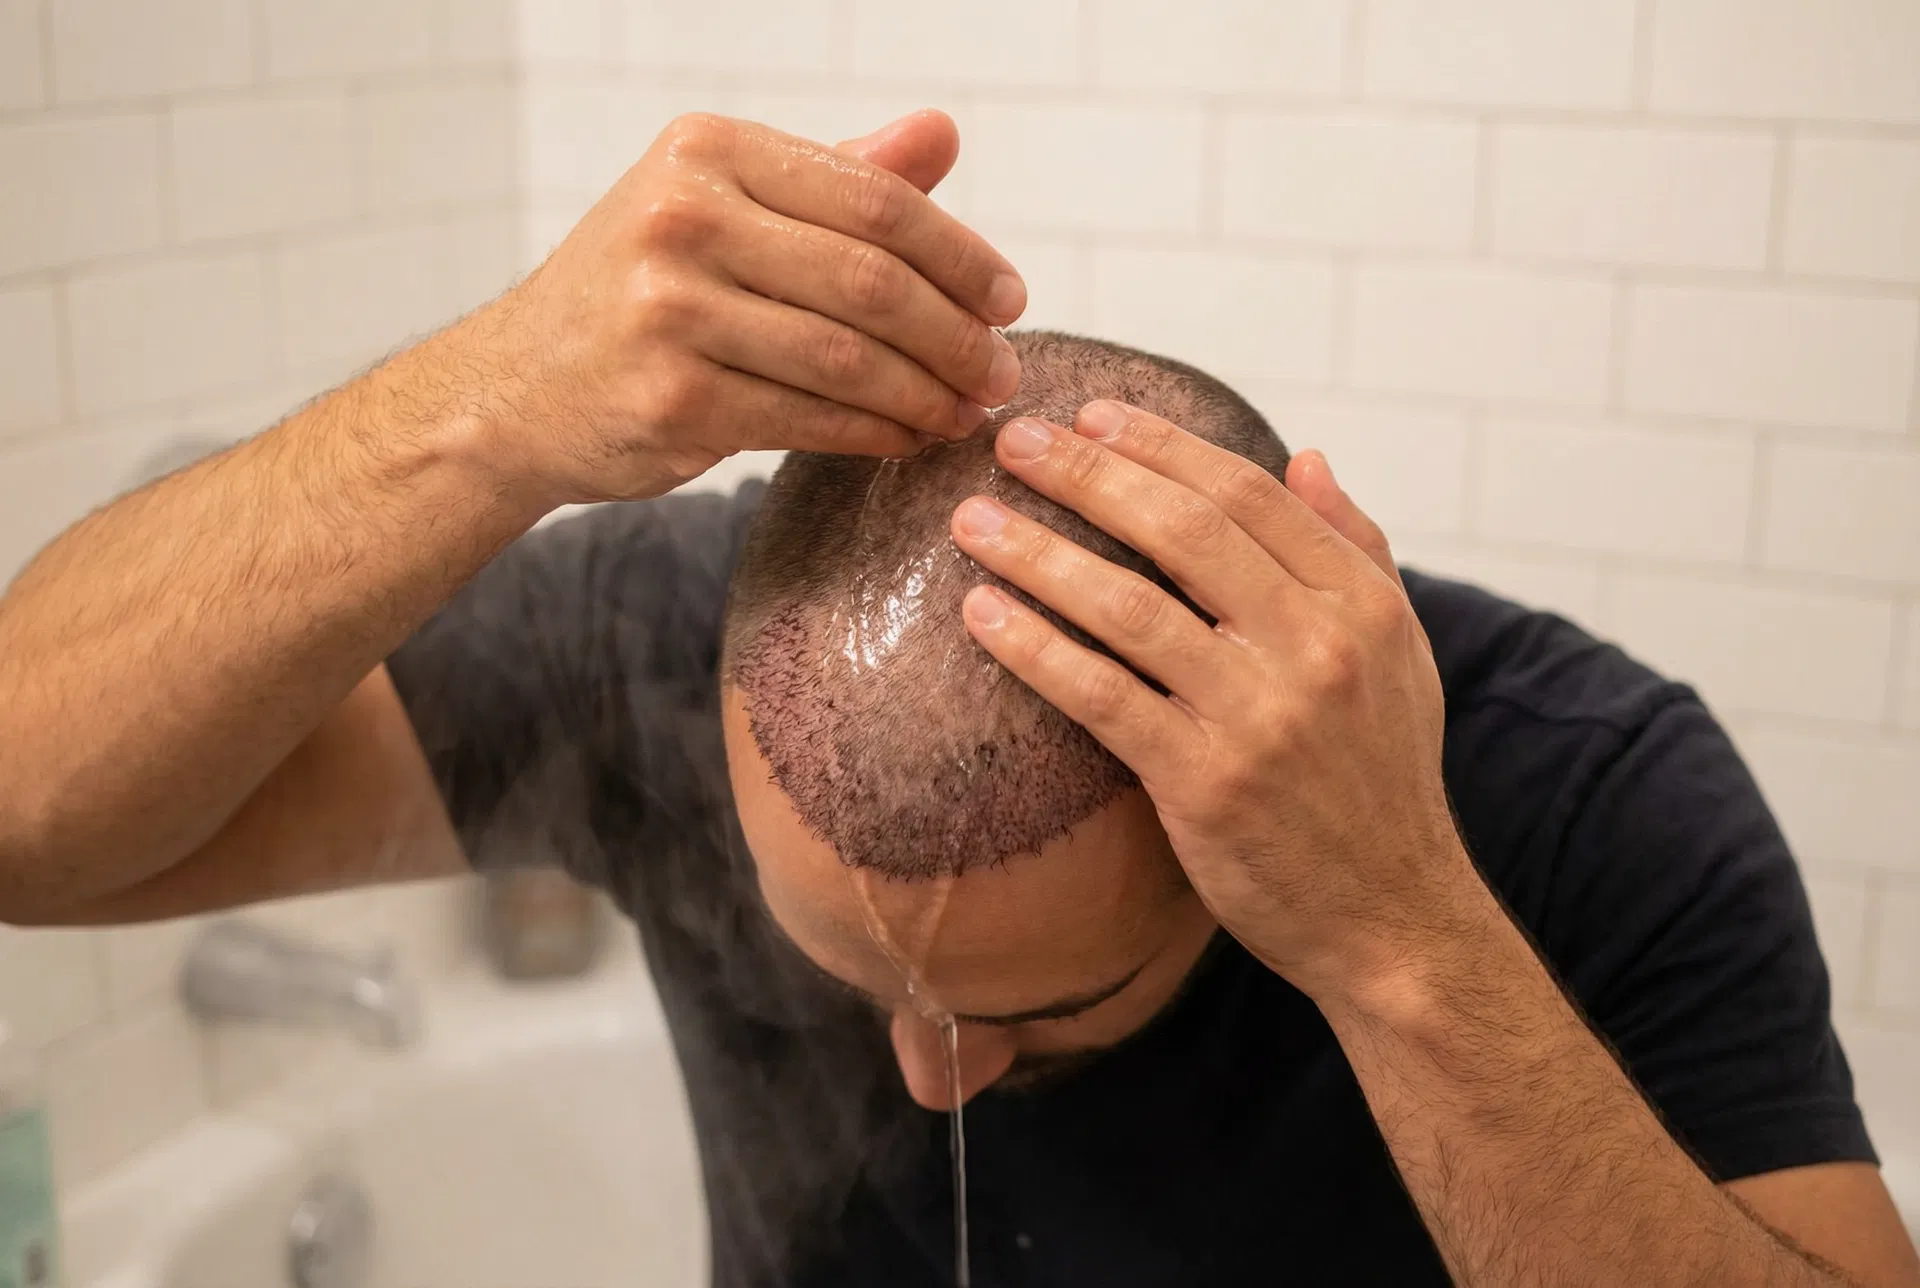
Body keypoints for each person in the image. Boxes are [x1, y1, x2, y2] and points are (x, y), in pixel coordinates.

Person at [0, 110, 1914, 1288]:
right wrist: (484, 407)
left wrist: (1402, 933)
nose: (927, 1080)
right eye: (853, 977)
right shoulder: (669, 641)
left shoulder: (1579, 793)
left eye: (1036, 1013)